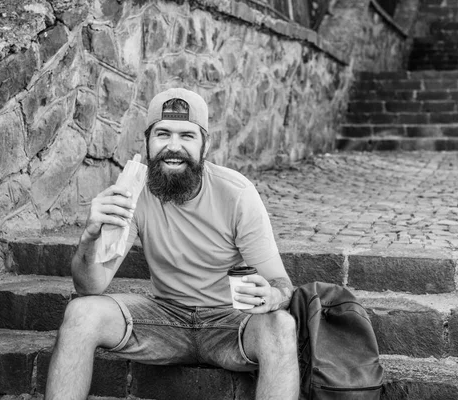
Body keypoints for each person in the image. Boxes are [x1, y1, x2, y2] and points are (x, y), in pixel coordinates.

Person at [45, 88, 299, 400]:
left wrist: (271, 295)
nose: (173, 146)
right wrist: (90, 238)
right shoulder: (133, 193)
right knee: (80, 313)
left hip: (229, 323)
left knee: (281, 326)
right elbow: (90, 287)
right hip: (164, 319)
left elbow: (282, 284)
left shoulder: (237, 194)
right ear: (148, 142)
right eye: (163, 134)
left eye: (187, 136)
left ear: (205, 144)